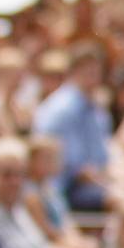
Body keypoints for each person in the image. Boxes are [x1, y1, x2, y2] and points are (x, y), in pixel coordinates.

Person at [33, 46, 116, 212]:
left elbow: (103, 157)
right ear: (74, 72)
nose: (94, 77)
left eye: (96, 71)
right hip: (65, 189)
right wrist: (110, 184)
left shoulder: (96, 108)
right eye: (88, 71)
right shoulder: (61, 108)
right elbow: (73, 168)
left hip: (95, 182)